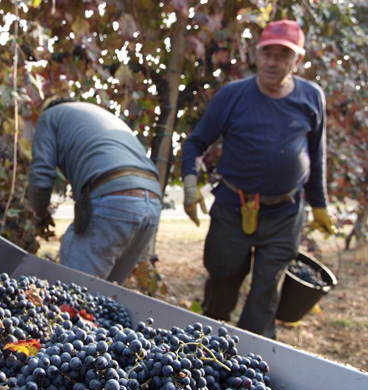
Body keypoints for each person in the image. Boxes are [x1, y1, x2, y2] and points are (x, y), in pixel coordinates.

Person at [181, 19, 337, 339]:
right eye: (267, 52)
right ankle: (209, 342)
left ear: (298, 60)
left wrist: (319, 205)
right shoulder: (233, 96)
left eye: (283, 54)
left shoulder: (311, 97)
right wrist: (188, 183)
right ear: (256, 53)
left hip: (285, 212)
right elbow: (196, 142)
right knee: (223, 278)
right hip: (232, 207)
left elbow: (316, 156)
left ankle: (252, 363)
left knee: (265, 292)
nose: (272, 61)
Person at [28, 97, 162, 285]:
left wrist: (40, 215)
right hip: (152, 201)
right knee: (109, 296)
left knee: (73, 294)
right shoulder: (99, 115)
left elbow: (41, 175)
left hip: (115, 199)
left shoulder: (50, 116)